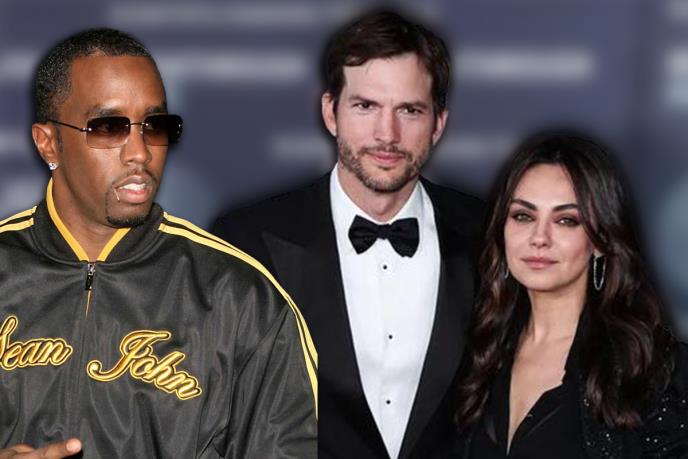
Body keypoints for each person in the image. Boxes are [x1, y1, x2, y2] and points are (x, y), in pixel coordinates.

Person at [0, 28, 317, 458]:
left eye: (155, 126)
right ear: (49, 143)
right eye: (109, 127)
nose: (140, 153)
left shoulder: (241, 297)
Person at [212, 10, 483, 459]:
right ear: (330, 112)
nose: (387, 134)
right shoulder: (248, 239)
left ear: (438, 123)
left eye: (410, 110)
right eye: (365, 106)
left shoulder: (489, 235)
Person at [455, 133, 688, 458]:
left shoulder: (652, 367)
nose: (539, 237)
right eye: (523, 216)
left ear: (601, 240)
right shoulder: (477, 351)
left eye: (566, 220)